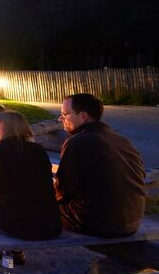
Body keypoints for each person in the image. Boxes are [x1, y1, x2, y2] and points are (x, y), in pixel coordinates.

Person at [0, 110, 62, 269]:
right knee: (7, 201)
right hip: (50, 224)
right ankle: (14, 251)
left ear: (4, 129)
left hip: (17, 226)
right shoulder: (38, 150)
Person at [55, 93, 145, 237]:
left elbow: (63, 190)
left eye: (64, 114)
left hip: (97, 223)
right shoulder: (121, 140)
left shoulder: (77, 142)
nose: (61, 119)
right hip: (132, 221)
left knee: (32, 205)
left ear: (83, 116)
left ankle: (12, 253)